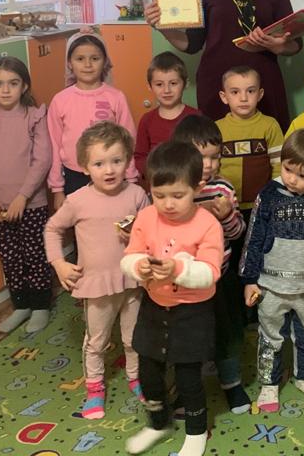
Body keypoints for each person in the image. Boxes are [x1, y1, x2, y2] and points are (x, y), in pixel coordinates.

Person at [145, 0, 299, 130]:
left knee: (267, 144)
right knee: (216, 144)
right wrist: (162, 27)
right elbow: (192, 44)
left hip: (262, 84)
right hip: (216, 86)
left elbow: (295, 44)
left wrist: (278, 46)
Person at [121, 140, 224, 456]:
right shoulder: (145, 217)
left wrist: (178, 269)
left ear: (198, 187)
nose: (167, 204)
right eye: (159, 195)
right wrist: (138, 265)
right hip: (154, 306)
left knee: (188, 377)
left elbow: (210, 272)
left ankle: (196, 432)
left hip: (192, 311)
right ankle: (157, 423)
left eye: (177, 196)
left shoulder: (207, 224)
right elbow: (130, 256)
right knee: (148, 372)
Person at [43, 122, 150, 420]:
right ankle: (94, 389)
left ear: (128, 161)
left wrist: (139, 236)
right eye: (99, 163)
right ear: (85, 167)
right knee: (96, 341)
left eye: (116, 160)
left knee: (133, 337)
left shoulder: (137, 195)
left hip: (133, 281)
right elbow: (52, 229)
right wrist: (59, 263)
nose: (109, 170)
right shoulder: (77, 200)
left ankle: (136, 377)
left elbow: (152, 231)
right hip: (97, 284)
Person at [240, 128, 304, 412]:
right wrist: (249, 279)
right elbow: (254, 237)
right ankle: (269, 383)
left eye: (302, 175)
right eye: (287, 169)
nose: (292, 179)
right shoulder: (269, 194)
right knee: (270, 335)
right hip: (271, 285)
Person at [170, 114, 250, 415]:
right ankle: (188, 391)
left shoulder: (223, 189)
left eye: (215, 157)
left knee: (226, 334)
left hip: (220, 276)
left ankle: (232, 383)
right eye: (201, 157)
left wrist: (227, 214)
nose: (209, 164)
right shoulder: (172, 189)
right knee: (187, 339)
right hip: (184, 281)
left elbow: (238, 233)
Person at [0, 56, 52, 334]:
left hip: (31, 203)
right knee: (11, 258)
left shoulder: (34, 116)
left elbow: (42, 160)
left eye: (13, 83)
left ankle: (40, 306)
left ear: (24, 86)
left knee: (34, 254)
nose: (5, 90)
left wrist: (23, 197)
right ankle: (21, 305)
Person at [47, 30, 137, 205]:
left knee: (113, 219)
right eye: (80, 59)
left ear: (105, 62)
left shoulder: (116, 97)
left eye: (95, 58)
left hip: (111, 173)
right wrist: (57, 189)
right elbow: (54, 146)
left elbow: (129, 141)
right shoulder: (60, 100)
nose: (87, 64)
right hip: (74, 176)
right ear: (69, 63)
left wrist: (131, 179)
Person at [216, 66, 283, 213]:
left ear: (260, 94)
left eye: (250, 91)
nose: (243, 98)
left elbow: (278, 165)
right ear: (224, 97)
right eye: (235, 92)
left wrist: (275, 195)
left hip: (262, 204)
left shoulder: (270, 125)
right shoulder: (217, 128)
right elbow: (211, 167)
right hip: (226, 205)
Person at [134, 52, 199, 179]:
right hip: (158, 182)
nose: (167, 90)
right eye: (159, 84)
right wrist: (155, 173)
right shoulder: (147, 120)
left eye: (173, 83)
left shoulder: (196, 117)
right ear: (150, 86)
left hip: (189, 181)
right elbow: (140, 157)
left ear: (185, 84)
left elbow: (203, 153)